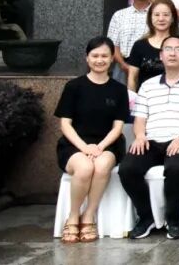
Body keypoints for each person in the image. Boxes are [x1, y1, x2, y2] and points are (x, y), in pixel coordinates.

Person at [120, 33, 179, 240]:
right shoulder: (148, 85)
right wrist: (140, 136)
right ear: (161, 55)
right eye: (168, 49)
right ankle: (146, 217)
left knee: (176, 168)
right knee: (127, 169)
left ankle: (173, 219)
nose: (173, 53)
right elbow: (140, 118)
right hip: (150, 140)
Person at [54, 36, 130, 244]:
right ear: (87, 58)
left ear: (112, 59)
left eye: (104, 56)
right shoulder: (74, 87)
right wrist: (84, 147)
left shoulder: (118, 90)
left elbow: (118, 127)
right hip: (74, 144)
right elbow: (65, 124)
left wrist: (100, 147)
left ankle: (89, 216)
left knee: (102, 165)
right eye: (95, 56)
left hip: (109, 144)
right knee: (85, 167)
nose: (99, 60)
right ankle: (73, 216)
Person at [107, 0, 154, 81]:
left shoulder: (157, 14)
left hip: (151, 66)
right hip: (123, 66)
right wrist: (123, 64)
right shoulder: (119, 15)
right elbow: (113, 44)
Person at [126, 0, 177, 91]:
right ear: (150, 18)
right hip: (145, 97)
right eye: (156, 15)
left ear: (173, 18)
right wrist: (132, 98)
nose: (161, 19)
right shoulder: (139, 45)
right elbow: (132, 78)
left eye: (166, 15)